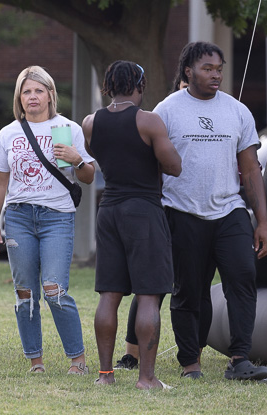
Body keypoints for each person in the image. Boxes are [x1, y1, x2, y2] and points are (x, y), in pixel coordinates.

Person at [153, 41, 267, 381]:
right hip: (181, 211)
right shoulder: (167, 110)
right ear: (188, 70)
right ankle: (190, 362)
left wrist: (261, 221)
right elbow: (154, 167)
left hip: (229, 211)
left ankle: (239, 359)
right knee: (189, 290)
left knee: (243, 279)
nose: (216, 74)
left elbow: (250, 171)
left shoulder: (237, 111)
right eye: (208, 68)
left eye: (219, 68)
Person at [0, 66, 95, 375]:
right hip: (19, 216)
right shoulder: (8, 133)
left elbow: (87, 176)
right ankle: (36, 361)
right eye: (26, 91)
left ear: (50, 94)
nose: (32, 96)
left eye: (38, 90)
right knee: (25, 293)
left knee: (54, 290)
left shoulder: (68, 128)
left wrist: (77, 159)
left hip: (57, 217)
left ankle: (78, 360)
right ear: (19, 99)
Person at [82, 61, 182, 389]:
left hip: (108, 209)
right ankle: (147, 378)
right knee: (149, 295)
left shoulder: (91, 122)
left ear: (108, 86)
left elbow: (97, 153)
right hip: (144, 210)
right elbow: (174, 166)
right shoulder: (149, 120)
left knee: (109, 296)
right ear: (139, 85)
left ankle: (105, 375)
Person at [114, 74, 194, 372]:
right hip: (165, 204)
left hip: (201, 209)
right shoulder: (162, 112)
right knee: (150, 287)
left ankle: (191, 355)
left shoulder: (216, 111)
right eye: (185, 89)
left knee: (190, 283)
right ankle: (131, 355)